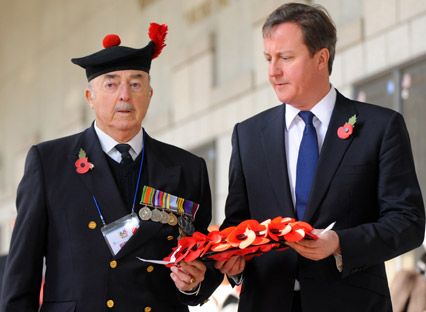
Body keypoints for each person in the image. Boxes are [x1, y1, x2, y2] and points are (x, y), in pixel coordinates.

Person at [215, 3, 425, 312]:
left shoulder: (380, 127)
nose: (273, 71)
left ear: (321, 58)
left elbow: (408, 223)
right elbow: (238, 225)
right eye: (268, 58)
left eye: (285, 58)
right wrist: (234, 262)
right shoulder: (247, 136)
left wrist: (340, 243)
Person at [0, 22, 222, 311]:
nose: (124, 95)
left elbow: (205, 258)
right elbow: (21, 276)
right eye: (111, 83)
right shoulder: (49, 163)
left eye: (135, 83)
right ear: (89, 97)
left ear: (150, 94)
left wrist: (194, 283)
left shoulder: (186, 168)